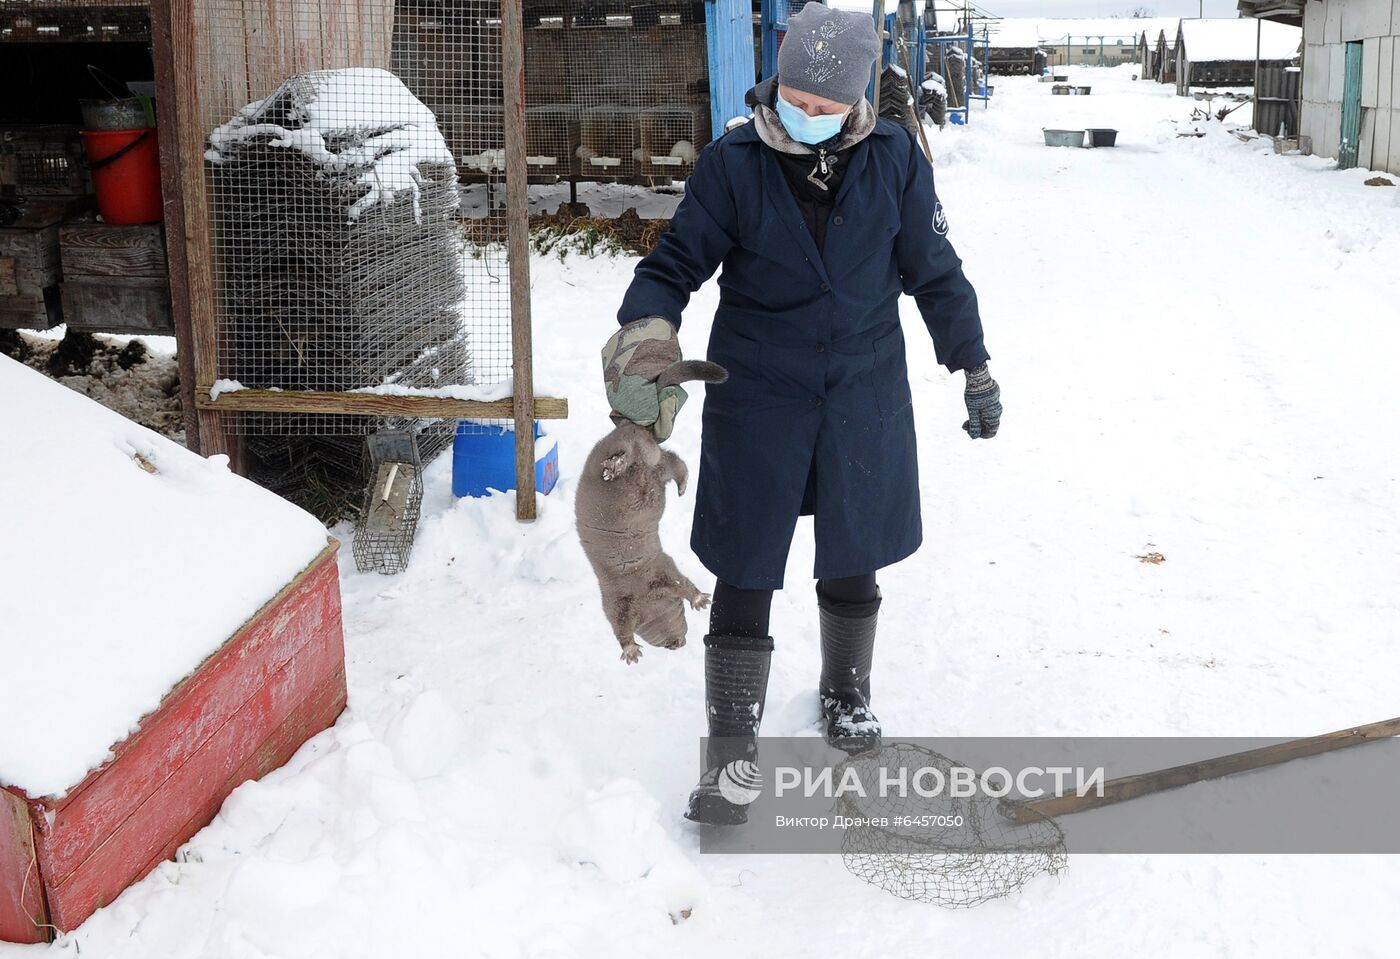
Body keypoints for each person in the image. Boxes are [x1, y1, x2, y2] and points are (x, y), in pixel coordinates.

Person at [600, 1, 1001, 826]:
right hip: (759, 390)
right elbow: (674, 264)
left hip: (861, 385)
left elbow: (934, 269)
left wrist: (973, 363)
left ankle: (846, 693)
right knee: (747, 562)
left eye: (823, 108)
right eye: (794, 100)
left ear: (853, 100)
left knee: (854, 546)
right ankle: (731, 752)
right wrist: (646, 339)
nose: (805, 118)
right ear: (776, 83)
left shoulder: (893, 159)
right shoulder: (733, 162)